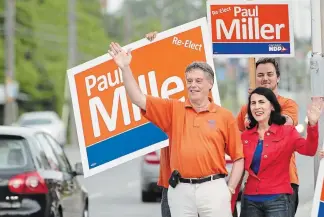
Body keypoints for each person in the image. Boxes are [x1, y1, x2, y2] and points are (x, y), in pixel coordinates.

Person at [108, 41, 244, 217]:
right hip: (180, 191)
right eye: (189, 81)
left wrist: (230, 189)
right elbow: (139, 99)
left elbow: (239, 158)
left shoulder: (224, 116)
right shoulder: (173, 109)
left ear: (210, 84)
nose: (192, 85)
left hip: (214, 189)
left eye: (198, 81)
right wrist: (125, 68)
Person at [239, 87, 321, 217]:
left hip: (277, 201)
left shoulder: (287, 132)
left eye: (261, 102)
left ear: (272, 106)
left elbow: (309, 150)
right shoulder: (245, 136)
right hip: (250, 201)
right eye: (253, 103)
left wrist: (313, 125)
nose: (257, 107)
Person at [234, 58, 300, 216]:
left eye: (270, 74)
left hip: (284, 184)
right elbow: (234, 139)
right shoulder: (246, 109)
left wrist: (257, 115)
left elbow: (286, 123)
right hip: (253, 188)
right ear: (254, 78)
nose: (265, 78)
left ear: (278, 77)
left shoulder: (288, 104)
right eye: (260, 75)